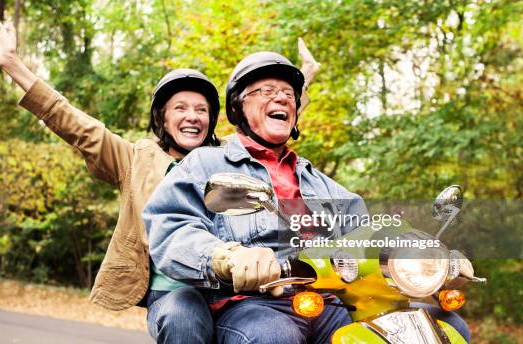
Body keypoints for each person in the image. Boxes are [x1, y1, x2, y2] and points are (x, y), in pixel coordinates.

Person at [0, 20, 219, 343]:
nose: (192, 116)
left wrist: (292, 95)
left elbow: (274, 150)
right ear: (162, 118)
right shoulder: (135, 159)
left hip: (230, 289)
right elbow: (74, 123)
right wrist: (12, 65)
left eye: (201, 110)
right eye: (181, 108)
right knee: (181, 318)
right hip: (173, 295)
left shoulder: (229, 160)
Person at [143, 51, 366, 343]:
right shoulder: (205, 164)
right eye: (267, 91)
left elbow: (367, 231)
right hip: (252, 304)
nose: (282, 98)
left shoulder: (321, 183)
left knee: (412, 325)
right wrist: (227, 257)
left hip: (329, 303)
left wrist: (417, 251)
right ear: (237, 107)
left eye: (289, 93)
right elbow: (173, 229)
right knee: (273, 335)